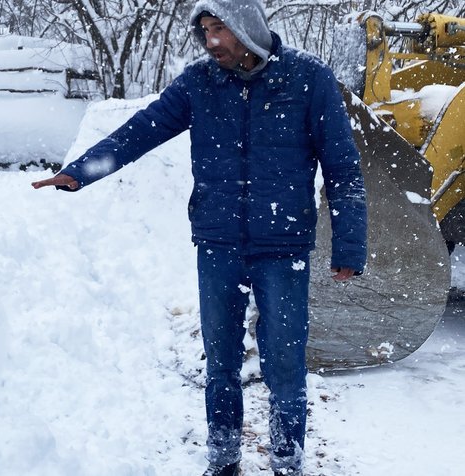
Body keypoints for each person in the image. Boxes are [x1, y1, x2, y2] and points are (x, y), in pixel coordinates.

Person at [32, 0, 367, 474]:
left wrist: (350, 244)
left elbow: (343, 168)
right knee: (222, 364)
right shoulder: (199, 81)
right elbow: (141, 130)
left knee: (286, 367)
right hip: (218, 243)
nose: (212, 42)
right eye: (205, 30)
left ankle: (289, 462)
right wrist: (80, 173)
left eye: (220, 30)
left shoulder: (308, 79)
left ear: (248, 28)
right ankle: (224, 459)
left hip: (283, 246)